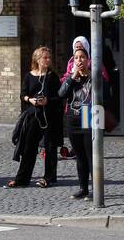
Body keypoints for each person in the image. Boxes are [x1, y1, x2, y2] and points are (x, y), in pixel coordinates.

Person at [9, 46, 61, 189]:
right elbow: (23, 94)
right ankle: (22, 178)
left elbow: (59, 97)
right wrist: (29, 99)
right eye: (45, 57)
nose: (48, 60)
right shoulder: (29, 76)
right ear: (37, 59)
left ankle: (48, 178)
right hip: (33, 115)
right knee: (28, 147)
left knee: (50, 148)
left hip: (49, 116)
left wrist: (47, 101)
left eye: (49, 57)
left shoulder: (52, 77)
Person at [59, 44, 97, 200]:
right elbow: (61, 93)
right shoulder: (71, 77)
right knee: (79, 155)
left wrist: (91, 76)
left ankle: (97, 189)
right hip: (73, 116)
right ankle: (83, 188)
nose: (79, 60)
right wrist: (72, 76)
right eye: (76, 58)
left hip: (89, 114)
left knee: (91, 155)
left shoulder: (94, 76)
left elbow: (106, 94)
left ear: (88, 60)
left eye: (82, 57)